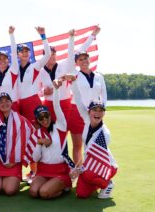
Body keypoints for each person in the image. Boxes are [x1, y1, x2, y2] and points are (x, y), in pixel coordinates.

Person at [69, 76, 118, 198]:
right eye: (94, 110)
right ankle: (95, 182)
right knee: (81, 194)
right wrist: (74, 82)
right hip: (92, 163)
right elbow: (78, 99)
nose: (97, 113)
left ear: (104, 113)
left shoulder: (104, 134)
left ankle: (107, 184)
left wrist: (78, 170)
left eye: (101, 110)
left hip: (107, 166)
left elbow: (93, 157)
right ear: (89, 112)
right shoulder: (86, 120)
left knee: (86, 174)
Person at [29, 80, 73, 199]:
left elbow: (57, 106)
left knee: (43, 193)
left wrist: (56, 90)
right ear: (37, 120)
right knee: (33, 192)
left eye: (46, 116)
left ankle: (63, 187)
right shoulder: (37, 134)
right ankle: (51, 186)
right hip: (43, 171)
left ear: (49, 115)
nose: (44, 120)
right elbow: (35, 158)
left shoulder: (60, 126)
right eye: (40, 118)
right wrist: (39, 143)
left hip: (59, 171)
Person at [0, 91, 32, 195]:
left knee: (9, 190)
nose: (4, 103)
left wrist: (15, 160)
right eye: (1, 102)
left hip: (13, 161)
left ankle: (12, 177)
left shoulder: (21, 120)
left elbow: (29, 140)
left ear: (11, 103)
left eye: (7, 101)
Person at [66, 26, 101, 164]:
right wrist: (72, 38)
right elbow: (72, 53)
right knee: (78, 146)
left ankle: (91, 171)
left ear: (89, 59)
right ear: (76, 62)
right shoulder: (74, 73)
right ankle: (79, 171)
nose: (84, 61)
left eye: (86, 58)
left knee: (92, 144)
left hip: (92, 111)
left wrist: (93, 35)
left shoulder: (97, 76)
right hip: (76, 112)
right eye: (80, 59)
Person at [38, 29, 76, 122]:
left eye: (54, 54)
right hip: (49, 104)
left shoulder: (63, 65)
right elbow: (36, 90)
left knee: (64, 132)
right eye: (50, 54)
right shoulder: (40, 71)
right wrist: (43, 92)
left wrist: (71, 38)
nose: (53, 56)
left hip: (65, 103)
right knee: (51, 131)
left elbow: (72, 54)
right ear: (45, 57)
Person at [17, 26, 51, 122]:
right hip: (21, 105)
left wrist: (43, 36)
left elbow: (48, 54)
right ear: (17, 54)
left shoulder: (35, 66)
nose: (24, 53)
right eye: (22, 52)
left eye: (27, 51)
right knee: (27, 132)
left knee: (38, 130)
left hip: (34, 102)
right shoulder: (15, 70)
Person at [0, 26, 19, 111]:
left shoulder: (13, 70)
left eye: (4, 58)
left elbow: (14, 52)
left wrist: (11, 34)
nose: (2, 60)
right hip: (0, 106)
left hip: (14, 104)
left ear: (8, 60)